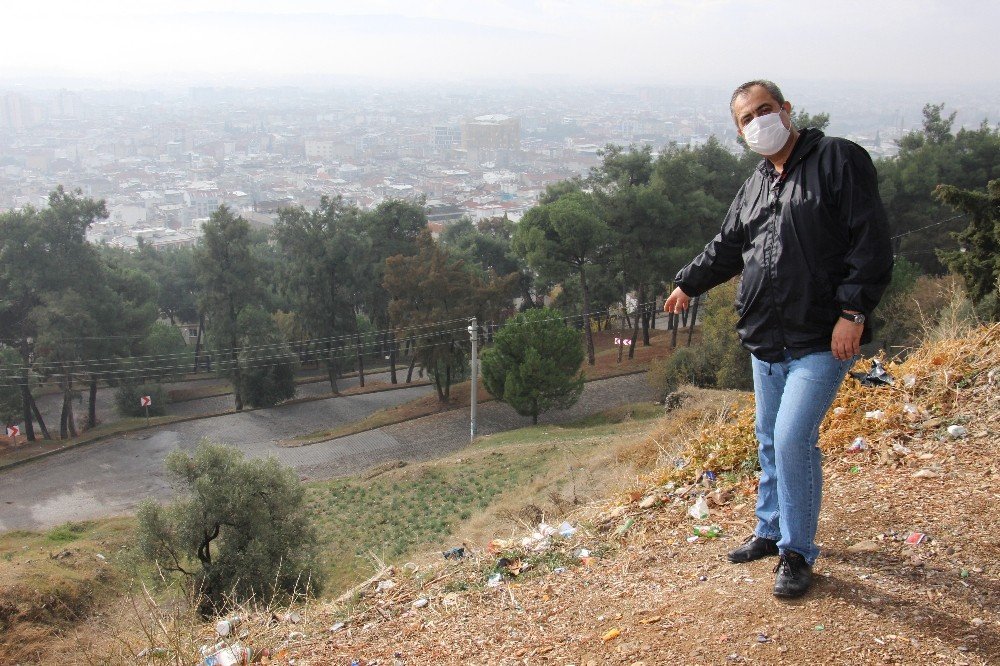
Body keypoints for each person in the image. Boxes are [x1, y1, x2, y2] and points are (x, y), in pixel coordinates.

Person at [664, 79, 893, 598]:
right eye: (745, 119)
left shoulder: (837, 159)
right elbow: (727, 246)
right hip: (767, 338)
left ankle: (797, 551)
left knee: (792, 440)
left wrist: (853, 312)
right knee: (769, 440)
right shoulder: (757, 183)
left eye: (764, 110)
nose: (757, 122)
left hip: (821, 336)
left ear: (787, 110)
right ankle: (769, 531)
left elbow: (871, 240)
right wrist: (687, 282)